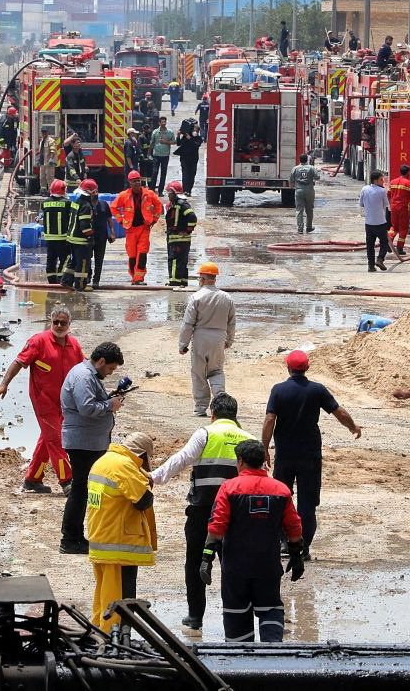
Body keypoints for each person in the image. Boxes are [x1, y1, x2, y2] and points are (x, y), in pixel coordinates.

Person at [152, 392, 253, 633]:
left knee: (196, 562)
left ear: (212, 414)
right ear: (235, 415)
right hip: (237, 515)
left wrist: (155, 477)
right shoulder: (248, 439)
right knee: (233, 564)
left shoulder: (206, 433)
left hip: (203, 511)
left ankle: (195, 616)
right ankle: (236, 618)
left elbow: (182, 459)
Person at [201, 439, 304, 643]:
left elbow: (216, 526)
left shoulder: (229, 488)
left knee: (236, 616)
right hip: (267, 565)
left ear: (240, 461)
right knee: (271, 610)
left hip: (235, 568)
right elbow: (294, 527)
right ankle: (273, 659)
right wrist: (296, 556)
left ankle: (242, 666)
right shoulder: (281, 490)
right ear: (263, 461)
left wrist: (207, 558)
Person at [261, 350, 362, 554]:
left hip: (285, 454)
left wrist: (264, 448)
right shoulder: (317, 390)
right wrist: (352, 427)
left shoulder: (278, 390)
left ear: (288, 368)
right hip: (310, 454)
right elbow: (338, 411)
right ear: (307, 368)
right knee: (307, 502)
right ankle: (302, 546)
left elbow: (270, 419)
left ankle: (283, 542)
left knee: (282, 497)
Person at [0, 305, 84, 494]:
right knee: (57, 439)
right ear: (50, 322)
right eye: (55, 322)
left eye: (63, 323)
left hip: (65, 403)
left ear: (69, 324)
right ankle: (67, 481)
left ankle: (33, 479)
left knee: (47, 439)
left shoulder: (74, 345)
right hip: (43, 400)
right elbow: (19, 362)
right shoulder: (38, 341)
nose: (58, 326)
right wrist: (4, 384)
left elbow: (84, 371)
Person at [59, 341, 126, 554]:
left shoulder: (89, 375)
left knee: (83, 490)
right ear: (101, 361)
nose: (110, 372)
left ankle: (76, 536)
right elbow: (87, 407)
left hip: (89, 441)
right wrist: (110, 405)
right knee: (80, 490)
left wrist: (110, 398)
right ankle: (70, 539)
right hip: (82, 443)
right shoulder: (83, 376)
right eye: (110, 368)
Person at [87, 431, 157, 632]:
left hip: (101, 537)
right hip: (118, 544)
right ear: (142, 455)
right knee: (118, 596)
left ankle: (98, 628)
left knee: (103, 590)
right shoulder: (124, 466)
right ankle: (112, 634)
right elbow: (144, 500)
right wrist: (144, 478)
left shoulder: (104, 461)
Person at [179, 262, 236, 418]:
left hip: (200, 338)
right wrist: (229, 340)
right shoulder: (226, 298)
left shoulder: (196, 297)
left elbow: (188, 323)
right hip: (219, 338)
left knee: (199, 373)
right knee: (216, 371)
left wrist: (183, 344)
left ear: (202, 279)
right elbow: (231, 322)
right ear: (214, 278)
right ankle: (220, 402)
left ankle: (200, 407)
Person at [112, 170, 164, 285]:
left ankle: (139, 278)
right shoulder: (124, 195)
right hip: (130, 230)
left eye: (138, 181)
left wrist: (154, 219)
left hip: (144, 228)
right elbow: (113, 207)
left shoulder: (148, 194)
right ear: (130, 182)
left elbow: (158, 205)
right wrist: (120, 220)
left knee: (142, 253)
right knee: (132, 254)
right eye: (134, 181)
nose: (137, 183)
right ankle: (133, 276)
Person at [77, 179, 113, 289]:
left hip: (101, 237)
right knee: (87, 258)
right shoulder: (85, 205)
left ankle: (96, 280)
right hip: (88, 237)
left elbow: (109, 219)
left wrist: (112, 233)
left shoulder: (103, 205)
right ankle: (88, 276)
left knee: (99, 259)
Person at [61, 181, 96, 292]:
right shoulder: (86, 205)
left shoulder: (76, 201)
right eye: (94, 191)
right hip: (81, 240)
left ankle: (66, 280)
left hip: (72, 238)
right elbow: (84, 224)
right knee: (83, 263)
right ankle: (80, 285)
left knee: (74, 261)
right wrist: (90, 236)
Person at [163, 181, 197, 287]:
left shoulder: (181, 204)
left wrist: (187, 230)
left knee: (174, 260)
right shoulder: (175, 204)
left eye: (169, 193)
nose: (168, 195)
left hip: (178, 238)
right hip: (178, 238)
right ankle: (183, 281)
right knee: (182, 260)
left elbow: (192, 217)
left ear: (174, 193)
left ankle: (174, 282)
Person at [41, 179, 71, 285]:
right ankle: (60, 279)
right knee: (65, 259)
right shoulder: (68, 203)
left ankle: (51, 281)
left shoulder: (45, 203)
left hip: (49, 238)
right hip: (62, 237)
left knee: (51, 259)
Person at [360, 170, 391, 272]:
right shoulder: (382, 191)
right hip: (380, 222)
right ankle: (380, 259)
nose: (383, 181)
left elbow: (361, 204)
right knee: (384, 243)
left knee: (370, 245)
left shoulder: (364, 189)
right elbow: (386, 205)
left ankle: (371, 266)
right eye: (381, 179)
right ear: (376, 180)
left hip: (368, 223)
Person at [387, 165, 410, 256]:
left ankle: (388, 242)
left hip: (394, 207)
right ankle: (399, 248)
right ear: (408, 173)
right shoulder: (409, 183)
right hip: (403, 208)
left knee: (394, 227)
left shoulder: (392, 182)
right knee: (403, 228)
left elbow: (388, 194)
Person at [289, 153, 319, 234]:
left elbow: (291, 180)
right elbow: (317, 177)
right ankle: (309, 227)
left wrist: (292, 186)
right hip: (309, 190)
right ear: (307, 160)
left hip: (299, 190)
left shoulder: (295, 168)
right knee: (309, 209)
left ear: (299, 160)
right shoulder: (311, 168)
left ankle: (300, 228)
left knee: (299, 210)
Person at [175, 119, 202, 194]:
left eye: (197, 130)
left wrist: (190, 138)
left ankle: (189, 190)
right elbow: (178, 144)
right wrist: (178, 136)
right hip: (184, 158)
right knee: (185, 175)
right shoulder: (185, 137)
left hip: (193, 159)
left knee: (192, 175)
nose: (195, 131)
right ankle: (185, 190)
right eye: (194, 129)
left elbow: (196, 145)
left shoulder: (199, 138)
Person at [151, 116, 175, 192]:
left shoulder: (170, 132)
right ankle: (152, 189)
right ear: (159, 123)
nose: (164, 123)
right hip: (156, 155)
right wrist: (148, 153)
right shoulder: (155, 132)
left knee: (163, 173)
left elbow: (174, 142)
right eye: (162, 122)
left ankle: (160, 191)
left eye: (165, 122)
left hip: (165, 155)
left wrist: (166, 142)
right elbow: (152, 143)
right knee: (155, 172)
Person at [40, 126, 61, 193]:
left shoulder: (51, 141)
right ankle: (43, 190)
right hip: (43, 162)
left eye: (45, 132)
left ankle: (51, 191)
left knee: (49, 177)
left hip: (49, 163)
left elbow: (53, 150)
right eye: (42, 132)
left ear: (47, 133)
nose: (44, 134)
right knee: (42, 177)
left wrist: (51, 159)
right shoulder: (42, 140)